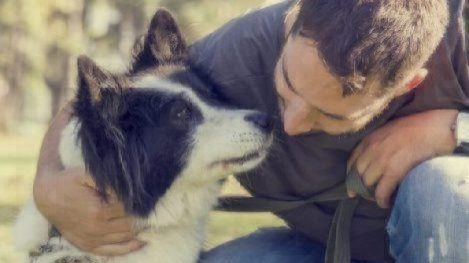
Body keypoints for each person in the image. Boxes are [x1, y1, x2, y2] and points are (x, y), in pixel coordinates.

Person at [33, 0, 469, 262]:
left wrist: (451, 127)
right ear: (292, 20)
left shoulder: (460, 36)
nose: (292, 125)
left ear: (409, 84)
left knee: (441, 188)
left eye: (327, 115)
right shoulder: (237, 53)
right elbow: (109, 97)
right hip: (318, 251)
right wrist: (47, 183)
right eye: (286, 89)